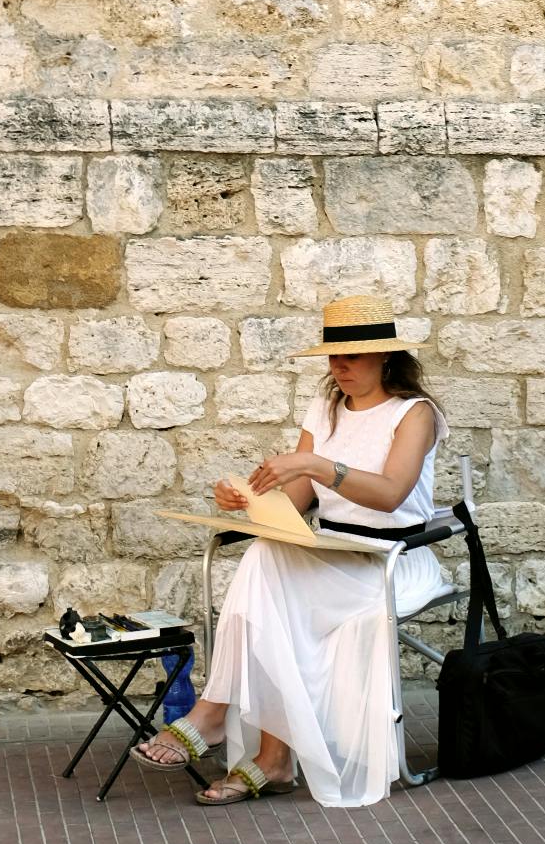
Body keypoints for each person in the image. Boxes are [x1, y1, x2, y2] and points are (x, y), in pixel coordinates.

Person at [134, 293, 453, 809]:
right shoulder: (324, 409)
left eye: (354, 355)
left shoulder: (415, 413)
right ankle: (264, 751)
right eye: (334, 356)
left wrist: (319, 466)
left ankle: (230, 726)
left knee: (274, 585)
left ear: (387, 356)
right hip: (332, 551)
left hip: (393, 560)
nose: (340, 366)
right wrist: (245, 500)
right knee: (266, 554)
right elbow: (299, 502)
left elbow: (392, 492)